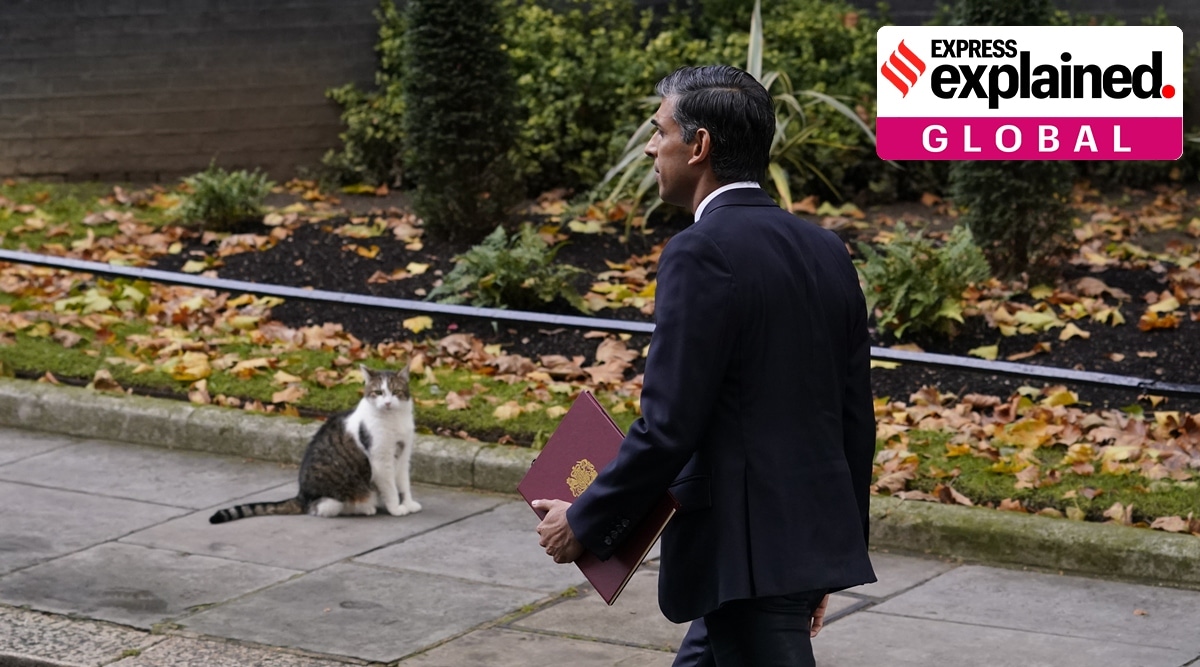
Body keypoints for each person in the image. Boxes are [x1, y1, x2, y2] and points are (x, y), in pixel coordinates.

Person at [533, 64, 877, 666]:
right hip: (785, 554)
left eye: (658, 131)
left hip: (743, 556)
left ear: (700, 146)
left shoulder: (699, 252)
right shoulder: (826, 249)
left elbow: (669, 426)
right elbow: (854, 421)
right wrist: (829, 559)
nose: (649, 146)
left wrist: (585, 520)